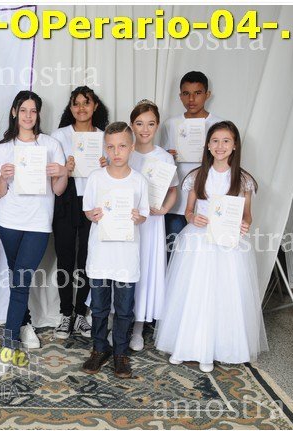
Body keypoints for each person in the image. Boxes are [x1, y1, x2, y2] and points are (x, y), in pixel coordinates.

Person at [154, 121, 268, 373]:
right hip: (198, 240)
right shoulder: (197, 176)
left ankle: (216, 348)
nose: (220, 146)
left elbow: (247, 215)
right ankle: (185, 346)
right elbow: (188, 211)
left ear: (235, 146)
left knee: (223, 293)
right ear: (207, 145)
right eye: (215, 141)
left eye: (226, 141)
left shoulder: (244, 180)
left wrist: (245, 224)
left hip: (228, 244)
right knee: (194, 291)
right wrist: (192, 218)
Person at [0, 91, 67, 376]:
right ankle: (25, 324)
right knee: (17, 279)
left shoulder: (51, 145)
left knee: (20, 282)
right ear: (14, 112)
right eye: (23, 110)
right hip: (8, 222)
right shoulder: (2, 148)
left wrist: (61, 172)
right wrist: (4, 178)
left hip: (38, 223)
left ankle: (7, 348)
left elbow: (59, 190)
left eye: (33, 111)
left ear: (38, 114)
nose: (28, 116)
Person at [80, 122, 150, 379]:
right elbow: (87, 210)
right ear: (105, 148)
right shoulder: (96, 178)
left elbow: (144, 214)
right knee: (99, 307)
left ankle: (121, 352)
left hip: (126, 256)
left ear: (131, 147)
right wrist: (93, 215)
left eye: (122, 146)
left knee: (124, 308)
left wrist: (138, 217)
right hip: (101, 254)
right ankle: (99, 348)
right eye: (110, 147)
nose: (116, 152)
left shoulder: (139, 181)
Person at [50, 86, 109, 340]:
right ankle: (65, 314)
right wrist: (65, 167)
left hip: (93, 201)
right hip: (66, 198)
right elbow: (51, 172)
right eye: (76, 103)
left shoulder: (105, 137)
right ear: (70, 107)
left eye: (87, 103)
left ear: (95, 106)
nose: (81, 108)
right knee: (64, 257)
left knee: (87, 258)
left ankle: (81, 313)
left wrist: (106, 165)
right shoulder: (59, 135)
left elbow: (114, 173)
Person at [126, 100, 178, 350]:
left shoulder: (164, 157)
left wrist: (165, 209)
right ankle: (118, 320)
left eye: (150, 124)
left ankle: (138, 327)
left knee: (145, 268)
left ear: (157, 126)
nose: (144, 129)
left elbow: (173, 190)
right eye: (139, 123)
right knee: (124, 266)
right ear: (131, 125)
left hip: (152, 224)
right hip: (127, 221)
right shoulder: (125, 151)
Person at [160, 71, 223, 257]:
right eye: (186, 93)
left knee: (202, 256)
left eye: (197, 93)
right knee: (173, 253)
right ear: (180, 96)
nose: (192, 99)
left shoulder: (218, 124)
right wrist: (167, 156)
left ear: (207, 95)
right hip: (177, 202)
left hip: (206, 203)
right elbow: (160, 160)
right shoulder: (171, 124)